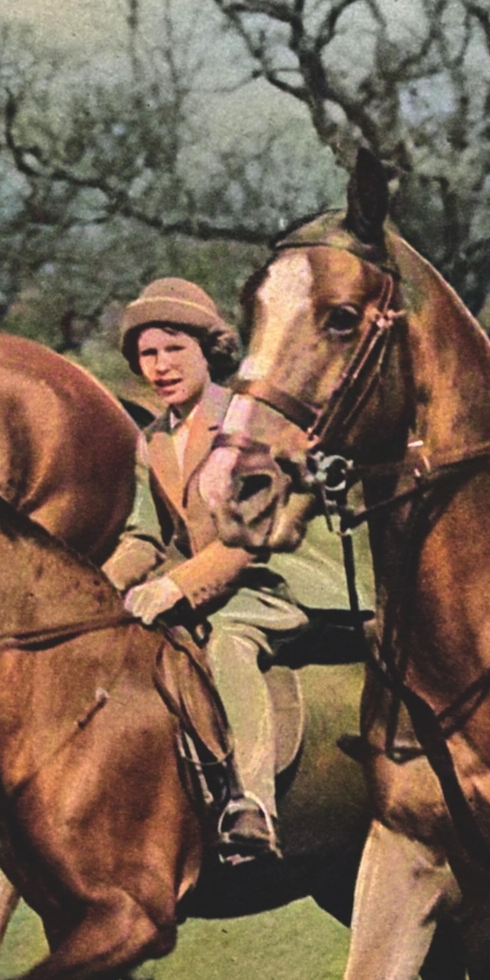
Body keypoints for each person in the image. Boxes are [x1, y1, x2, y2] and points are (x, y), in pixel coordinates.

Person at [105, 279, 352, 860]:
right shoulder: (151, 442)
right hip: (211, 586)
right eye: (148, 354)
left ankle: (253, 802)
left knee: (230, 640)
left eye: (174, 350)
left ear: (206, 351)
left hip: (282, 580)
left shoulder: (249, 426)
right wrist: (102, 588)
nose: (161, 366)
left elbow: (250, 541)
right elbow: (145, 536)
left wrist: (176, 584)